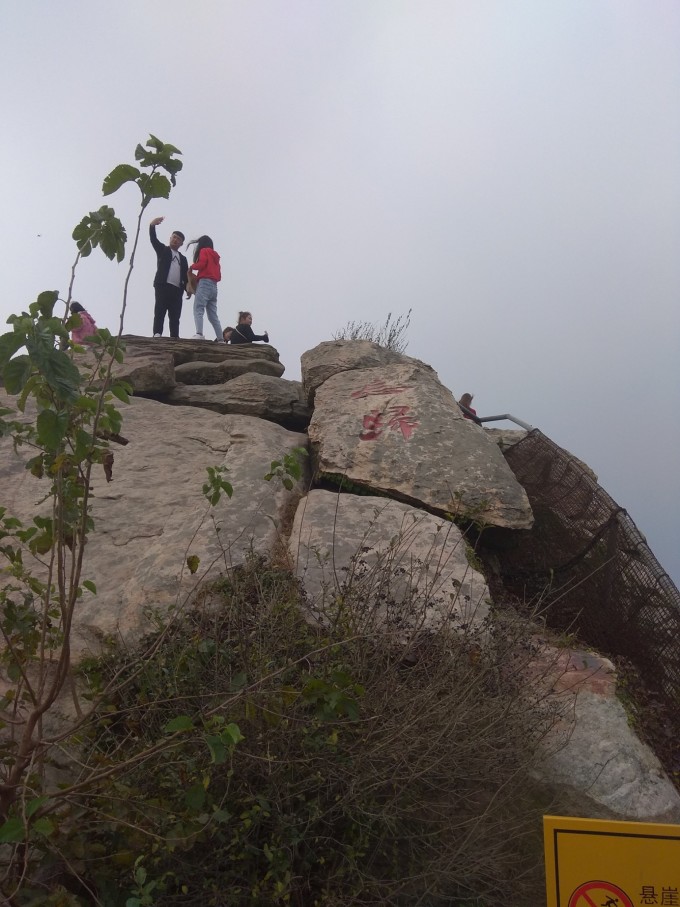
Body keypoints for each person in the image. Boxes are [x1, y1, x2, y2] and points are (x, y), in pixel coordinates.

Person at [149, 216, 188, 338]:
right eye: (174, 237)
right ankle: (157, 333)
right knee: (160, 310)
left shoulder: (183, 259)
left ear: (181, 243)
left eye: (178, 239)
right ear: (170, 238)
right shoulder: (163, 250)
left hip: (177, 289)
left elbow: (186, 275)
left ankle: (175, 337)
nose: (175, 240)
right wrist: (152, 226)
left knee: (175, 315)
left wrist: (188, 289)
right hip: (162, 285)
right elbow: (153, 240)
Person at [187, 235, 223, 341]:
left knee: (198, 308)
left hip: (204, 283)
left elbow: (201, 264)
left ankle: (199, 333)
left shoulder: (204, 251)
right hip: (214, 286)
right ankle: (221, 339)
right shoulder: (216, 257)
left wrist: (192, 267)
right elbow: (219, 276)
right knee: (213, 315)